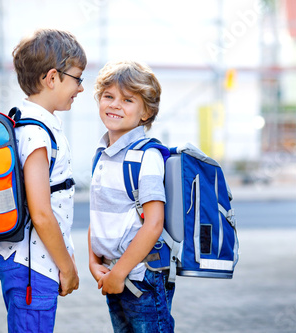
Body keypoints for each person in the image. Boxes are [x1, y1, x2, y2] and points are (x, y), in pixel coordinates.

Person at [0, 28, 86, 333]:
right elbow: (42, 214)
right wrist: (68, 268)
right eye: (77, 79)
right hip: (33, 267)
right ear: (52, 78)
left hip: (23, 261)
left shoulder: (25, 122)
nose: (81, 88)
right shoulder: (36, 135)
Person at [88, 60, 175, 332]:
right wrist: (93, 262)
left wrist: (120, 273)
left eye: (127, 100)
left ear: (146, 112)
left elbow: (153, 224)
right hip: (115, 275)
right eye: (108, 96)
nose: (115, 104)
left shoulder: (146, 157)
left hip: (142, 278)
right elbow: (98, 213)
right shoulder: (101, 155)